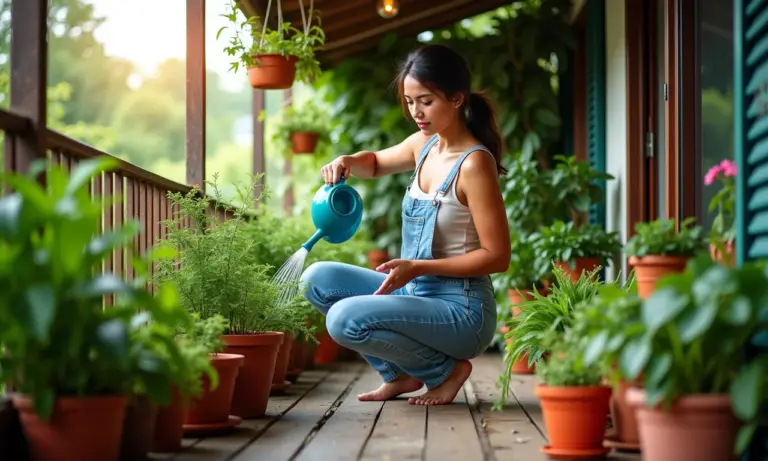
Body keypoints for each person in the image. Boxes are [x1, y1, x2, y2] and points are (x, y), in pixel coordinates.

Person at [299, 44, 511, 406]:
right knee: (316, 280)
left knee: (342, 320)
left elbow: (497, 257)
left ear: (457, 98)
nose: (416, 112)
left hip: (461, 310)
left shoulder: (474, 165)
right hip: (414, 293)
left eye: (426, 101)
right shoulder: (424, 145)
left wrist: (418, 268)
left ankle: (444, 371)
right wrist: (347, 161)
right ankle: (399, 375)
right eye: (410, 101)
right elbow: (377, 163)